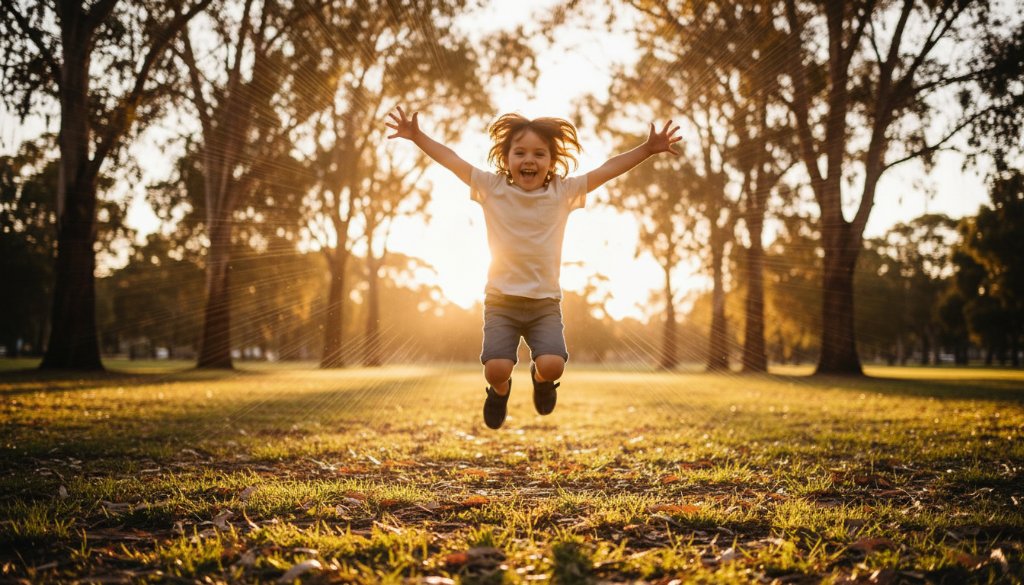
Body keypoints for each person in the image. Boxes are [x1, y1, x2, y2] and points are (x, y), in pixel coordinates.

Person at [386, 107, 680, 429]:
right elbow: (452, 159)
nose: (530, 160)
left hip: (544, 303)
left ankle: (541, 381)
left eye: (540, 154)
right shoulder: (491, 188)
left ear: (552, 162)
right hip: (501, 302)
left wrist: (647, 149)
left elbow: (607, 170)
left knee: (553, 365)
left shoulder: (563, 192)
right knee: (496, 368)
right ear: (506, 158)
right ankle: (500, 392)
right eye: (520, 152)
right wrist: (417, 136)